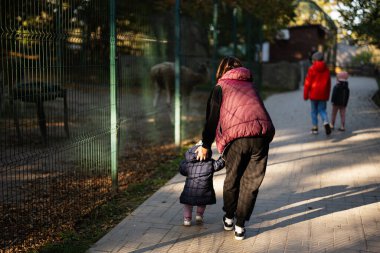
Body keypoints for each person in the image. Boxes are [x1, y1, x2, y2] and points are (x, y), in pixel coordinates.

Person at [195, 56, 275, 240]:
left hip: (237, 139)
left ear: (222, 70)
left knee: (233, 178)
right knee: (252, 182)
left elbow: (211, 119)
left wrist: (205, 144)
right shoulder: (251, 85)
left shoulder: (220, 87)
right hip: (261, 137)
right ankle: (240, 226)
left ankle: (229, 218)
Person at [179, 143, 225, 226]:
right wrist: (223, 157)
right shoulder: (210, 163)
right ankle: (199, 216)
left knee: (188, 204)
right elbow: (219, 164)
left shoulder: (188, 164)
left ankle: (187, 219)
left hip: (189, 190)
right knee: (202, 202)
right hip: (204, 190)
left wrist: (184, 162)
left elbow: (182, 170)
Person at [303, 51, 332, 135]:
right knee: (322, 110)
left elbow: (307, 83)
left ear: (314, 60)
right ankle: (326, 122)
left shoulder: (311, 69)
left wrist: (305, 95)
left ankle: (315, 128)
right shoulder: (326, 69)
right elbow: (328, 84)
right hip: (323, 95)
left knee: (313, 111)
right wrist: (327, 96)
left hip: (313, 95)